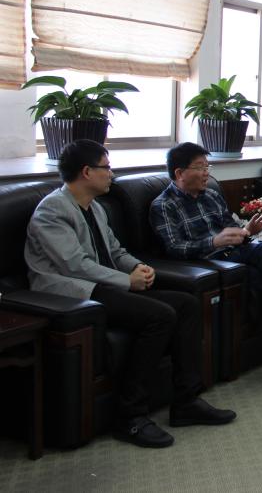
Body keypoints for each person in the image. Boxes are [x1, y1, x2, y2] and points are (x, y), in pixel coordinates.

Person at [25, 140, 236, 448]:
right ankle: (130, 416)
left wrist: (138, 267)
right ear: (86, 172)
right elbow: (74, 265)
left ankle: (186, 401)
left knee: (186, 304)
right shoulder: (52, 211)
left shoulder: (95, 207)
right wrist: (127, 281)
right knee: (160, 316)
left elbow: (115, 251)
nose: (111, 174)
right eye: (106, 167)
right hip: (71, 293)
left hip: (103, 284)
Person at [149, 142, 262, 375]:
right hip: (210, 262)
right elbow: (174, 248)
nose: (206, 173)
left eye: (208, 167)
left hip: (236, 251)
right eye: (200, 167)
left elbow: (232, 228)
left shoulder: (211, 196)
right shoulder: (163, 206)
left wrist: (247, 230)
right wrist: (213, 242)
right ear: (179, 173)